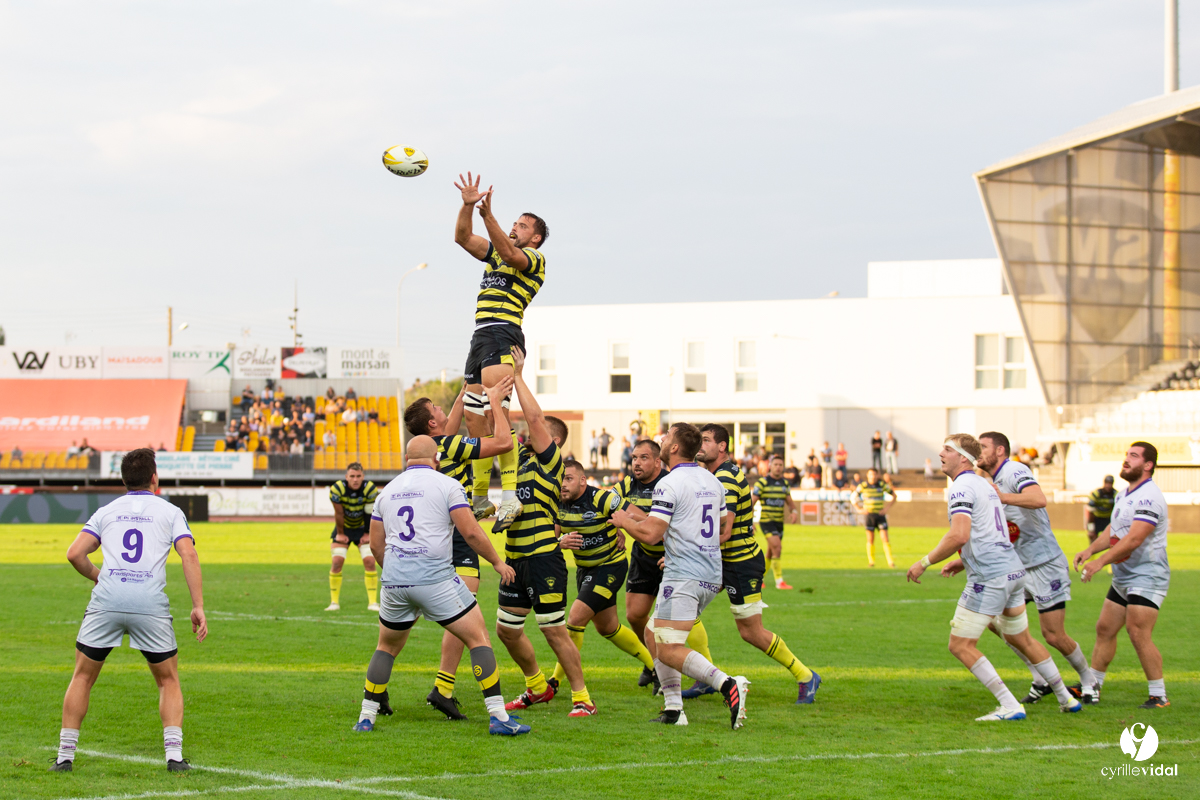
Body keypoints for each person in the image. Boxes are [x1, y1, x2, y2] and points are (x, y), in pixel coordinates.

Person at [351, 436, 528, 736]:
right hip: (435, 578)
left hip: (394, 581)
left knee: (386, 647)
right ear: (436, 459)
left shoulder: (386, 492)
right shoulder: (447, 485)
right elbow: (470, 532)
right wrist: (498, 563)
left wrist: (397, 573)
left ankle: (366, 717)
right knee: (478, 638)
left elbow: (376, 546)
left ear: (407, 458)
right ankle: (498, 716)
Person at [50, 449, 207, 772]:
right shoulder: (170, 511)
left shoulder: (107, 511)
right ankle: (174, 757)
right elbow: (188, 555)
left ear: (123, 480)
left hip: (107, 600)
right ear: (154, 478)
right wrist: (198, 606)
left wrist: (100, 577)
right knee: (168, 679)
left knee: (82, 676)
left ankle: (64, 757)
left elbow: (74, 553)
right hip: (148, 603)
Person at [906, 435, 1080, 721]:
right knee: (1021, 637)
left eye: (947, 450)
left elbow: (959, 535)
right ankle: (1066, 698)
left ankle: (1009, 705)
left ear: (963, 458)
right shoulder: (984, 485)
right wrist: (962, 563)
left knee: (960, 645)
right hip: (1013, 571)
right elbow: (991, 533)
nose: (940, 454)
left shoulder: (962, 487)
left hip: (990, 576)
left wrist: (923, 562)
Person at [611, 423, 750, 728]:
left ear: (674, 448)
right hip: (710, 573)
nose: (662, 439)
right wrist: (644, 519)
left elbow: (650, 535)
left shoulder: (669, 483)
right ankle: (674, 710)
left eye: (667, 437)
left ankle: (727, 684)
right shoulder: (712, 482)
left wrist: (624, 520)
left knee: (668, 649)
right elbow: (721, 524)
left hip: (683, 574)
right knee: (653, 632)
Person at [402, 378, 517, 719]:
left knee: (445, 615)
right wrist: (494, 400)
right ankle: (446, 690)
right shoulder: (450, 446)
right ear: (432, 424)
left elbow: (448, 425)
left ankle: (439, 688)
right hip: (454, 536)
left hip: (435, 535)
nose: (443, 409)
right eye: (437, 408)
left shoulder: (436, 446)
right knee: (464, 614)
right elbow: (502, 442)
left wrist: (462, 396)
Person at [494, 347, 595, 718]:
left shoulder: (551, 462)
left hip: (542, 557)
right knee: (507, 630)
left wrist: (519, 375)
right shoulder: (517, 460)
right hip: (514, 558)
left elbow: (534, 419)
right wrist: (492, 396)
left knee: (553, 630)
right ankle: (537, 686)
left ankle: (582, 697)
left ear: (553, 440)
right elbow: (497, 428)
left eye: (534, 431)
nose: (526, 432)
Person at [696, 424, 820, 704]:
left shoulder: (725, 476)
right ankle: (704, 677)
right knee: (685, 610)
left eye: (705, 440)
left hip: (739, 563)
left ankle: (806, 675)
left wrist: (688, 550)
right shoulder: (717, 474)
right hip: (721, 560)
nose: (700, 445)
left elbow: (724, 531)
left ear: (722, 446)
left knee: (751, 632)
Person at [452, 171, 549, 532]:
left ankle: (510, 499)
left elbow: (509, 253)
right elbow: (462, 238)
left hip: (503, 334)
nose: (514, 228)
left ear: (535, 238)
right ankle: (480, 499)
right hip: (480, 337)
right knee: (474, 421)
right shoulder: (495, 255)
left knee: (497, 417)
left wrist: (487, 216)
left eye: (521, 226)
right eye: (513, 223)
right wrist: (467, 206)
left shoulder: (534, 260)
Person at [977, 432, 1098, 705]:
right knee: (993, 620)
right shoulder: (992, 481)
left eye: (983, 446)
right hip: (1017, 567)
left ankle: (1089, 681)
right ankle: (1040, 677)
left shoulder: (1014, 469)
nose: (978, 452)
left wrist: (1003, 497)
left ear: (999, 450)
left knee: (1053, 634)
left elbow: (1038, 498)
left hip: (1044, 564)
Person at [1073, 442, 1171, 709]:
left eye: (1134, 456)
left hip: (1148, 575)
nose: (1126, 460)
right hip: (1125, 576)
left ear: (1148, 465)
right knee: (1105, 628)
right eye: (1127, 455)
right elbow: (1114, 533)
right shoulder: (1124, 493)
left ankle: (1159, 695)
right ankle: (1093, 686)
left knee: (1138, 631)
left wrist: (1100, 563)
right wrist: (1091, 550)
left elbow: (1134, 539)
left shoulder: (1149, 496)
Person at [615, 438, 713, 690]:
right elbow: (608, 505)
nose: (636, 463)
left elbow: (660, 525)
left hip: (672, 558)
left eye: (643, 458)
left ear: (658, 461)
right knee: (635, 616)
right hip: (644, 556)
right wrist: (618, 529)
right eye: (634, 457)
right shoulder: (627, 484)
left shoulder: (670, 483)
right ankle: (655, 664)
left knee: (682, 619)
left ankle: (704, 674)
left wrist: (634, 518)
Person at [549, 460, 655, 690]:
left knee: (575, 619)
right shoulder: (557, 503)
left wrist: (624, 525)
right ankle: (654, 666)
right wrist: (560, 542)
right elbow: (547, 542)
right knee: (608, 627)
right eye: (560, 479)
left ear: (583, 480)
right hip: (585, 569)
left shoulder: (602, 498)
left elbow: (640, 517)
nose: (563, 484)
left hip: (610, 566)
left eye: (568, 478)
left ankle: (555, 681)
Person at [326, 463, 380, 612]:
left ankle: (372, 603)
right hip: (344, 528)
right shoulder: (337, 489)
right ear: (346, 477)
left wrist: (367, 533)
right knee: (337, 562)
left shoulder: (370, 489)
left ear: (363, 476)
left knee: (369, 561)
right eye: (352, 476)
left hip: (363, 528)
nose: (355, 480)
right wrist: (341, 533)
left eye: (358, 476)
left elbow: (370, 512)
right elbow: (339, 513)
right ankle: (334, 603)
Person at [753, 455, 798, 590]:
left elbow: (789, 502)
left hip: (779, 522)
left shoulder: (784, 484)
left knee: (771, 552)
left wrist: (794, 512)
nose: (778, 467)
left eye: (780, 465)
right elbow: (752, 502)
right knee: (777, 547)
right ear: (770, 466)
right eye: (776, 464)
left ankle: (759, 580)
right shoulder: (763, 482)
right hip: (767, 521)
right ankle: (779, 581)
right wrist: (750, 520)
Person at [851, 469, 896, 568]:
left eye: (874, 474)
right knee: (870, 539)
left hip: (880, 515)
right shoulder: (863, 486)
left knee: (885, 538)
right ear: (867, 475)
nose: (873, 476)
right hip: (869, 515)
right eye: (871, 474)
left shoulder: (881, 485)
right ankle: (871, 562)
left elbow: (894, 495)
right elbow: (853, 497)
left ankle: (890, 562)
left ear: (877, 475)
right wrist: (859, 509)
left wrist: (886, 509)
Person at [1085, 476, 1117, 544]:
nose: (1108, 485)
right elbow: (1090, 512)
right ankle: (1091, 552)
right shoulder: (1096, 493)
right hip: (1096, 518)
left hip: (1108, 519)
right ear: (1104, 483)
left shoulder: (1115, 494)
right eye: (1107, 483)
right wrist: (1091, 528)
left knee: (1113, 538)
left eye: (1110, 483)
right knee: (1092, 537)